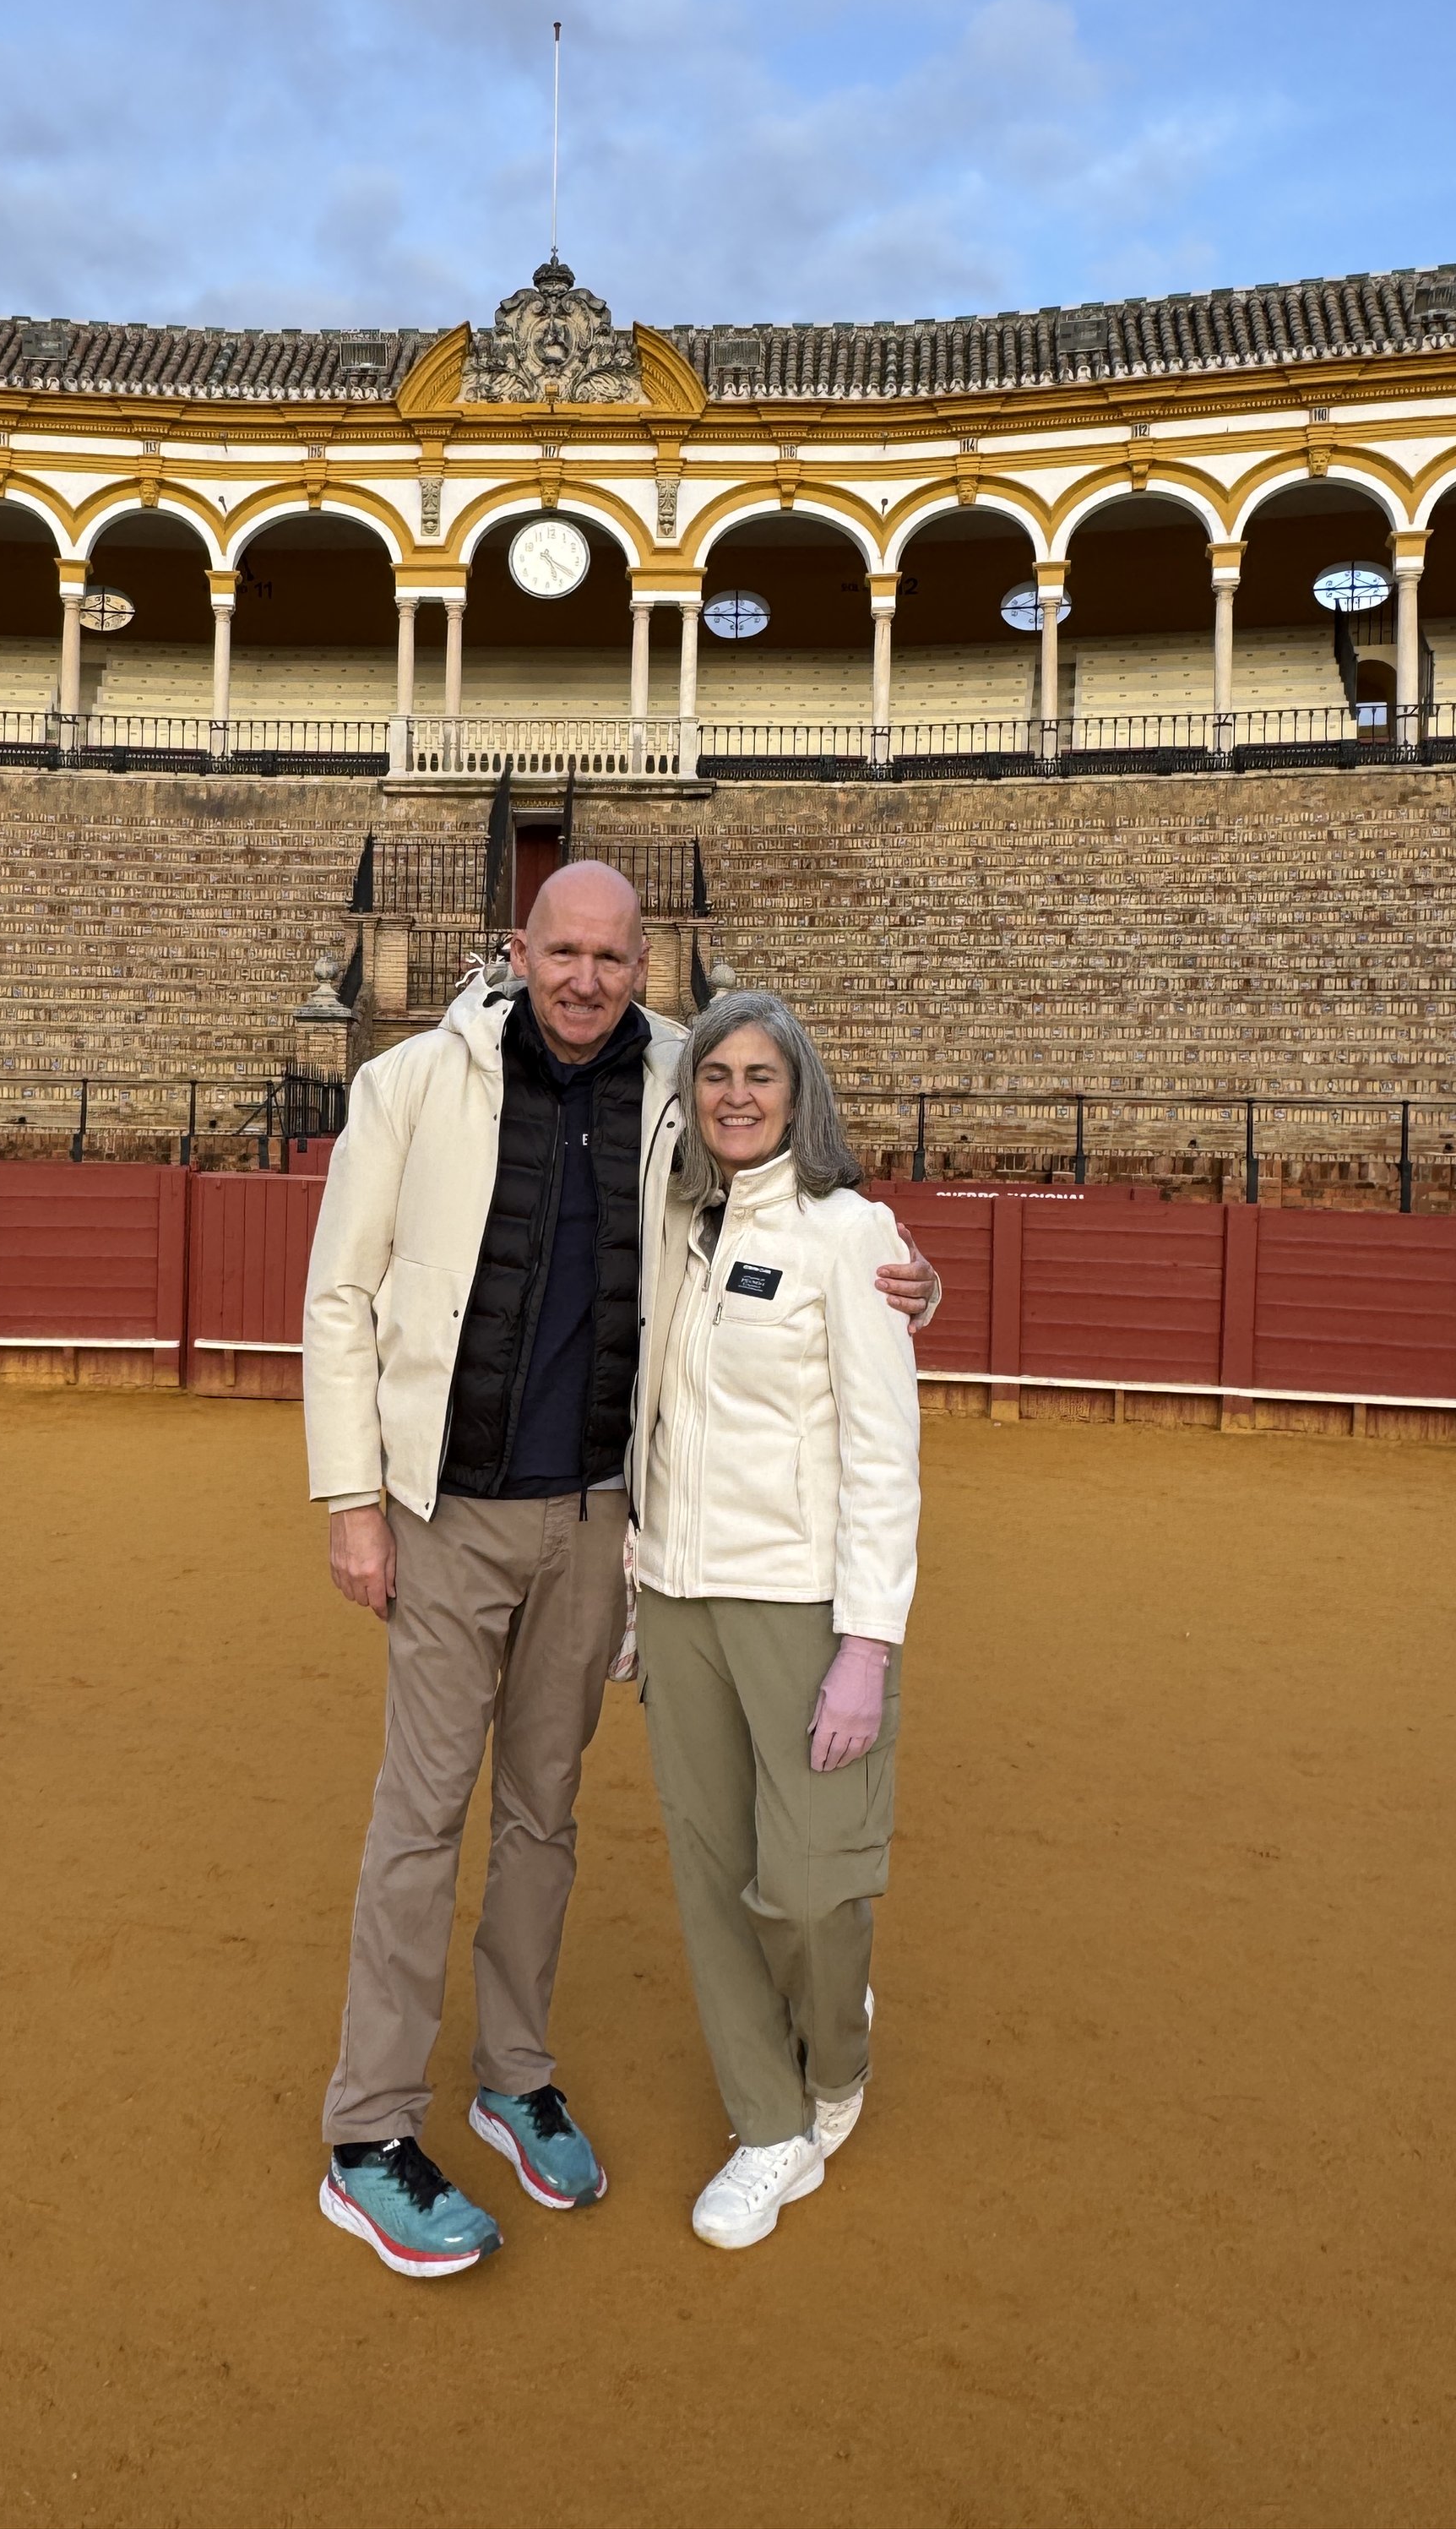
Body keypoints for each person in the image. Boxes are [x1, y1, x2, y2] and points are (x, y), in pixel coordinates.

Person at [302, 862, 941, 2277]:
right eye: (564, 950)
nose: (586, 976)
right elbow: (340, 1293)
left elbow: (797, 1192)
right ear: (518, 948)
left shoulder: (677, 1075)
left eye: (612, 955)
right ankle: (370, 2129)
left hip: (597, 1519)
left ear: (644, 963)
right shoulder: (409, 1084)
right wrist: (353, 1500)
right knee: (421, 1817)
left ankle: (514, 2074)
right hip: (447, 1511)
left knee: (544, 1813)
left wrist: (911, 1275)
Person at [628, 987, 921, 2251]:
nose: (736, 1095)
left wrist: (868, 1645)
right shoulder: (672, 1220)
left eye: (762, 1074)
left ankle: (835, 2054)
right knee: (710, 1877)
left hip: (800, 1600)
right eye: (715, 1074)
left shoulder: (851, 1235)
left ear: (801, 1095)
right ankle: (768, 2123)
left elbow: (885, 1452)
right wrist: (636, 1576)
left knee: (807, 1887)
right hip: (675, 1594)